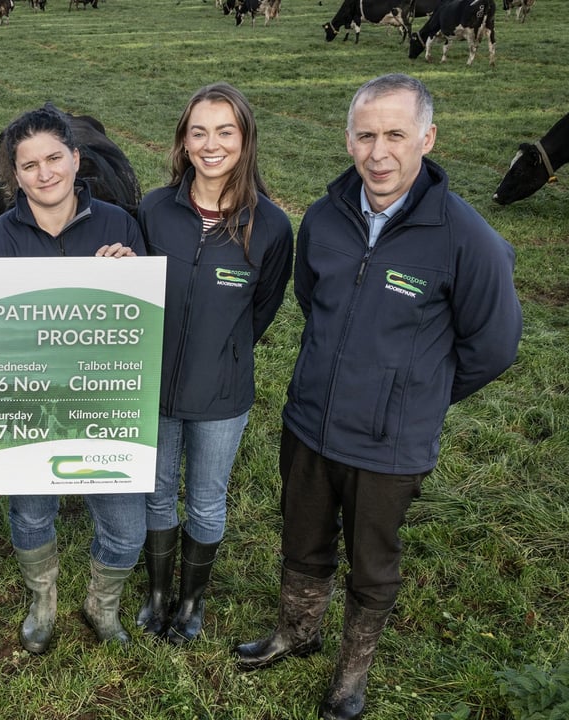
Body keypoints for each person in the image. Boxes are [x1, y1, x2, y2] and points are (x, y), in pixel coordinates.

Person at [233, 74, 522, 720]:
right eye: (366, 135)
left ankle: (350, 677)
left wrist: (418, 392)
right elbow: (313, 298)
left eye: (396, 134)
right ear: (348, 139)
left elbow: (495, 345)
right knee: (302, 538)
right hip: (310, 422)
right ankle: (296, 633)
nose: (379, 152)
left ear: (427, 138)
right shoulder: (328, 216)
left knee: (373, 562)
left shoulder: (463, 237)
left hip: (389, 445)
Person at [0, 105, 144, 651]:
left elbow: (140, 324)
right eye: (29, 165)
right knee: (30, 513)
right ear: (12, 176)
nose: (44, 174)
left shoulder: (120, 225)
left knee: (127, 527)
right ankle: (42, 601)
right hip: (25, 405)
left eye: (54, 159)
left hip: (104, 402)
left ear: (76, 158)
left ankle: (102, 602)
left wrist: (129, 279)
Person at [134, 83, 294, 646]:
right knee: (155, 492)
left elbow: (262, 308)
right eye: (198, 131)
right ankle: (156, 595)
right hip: (151, 387)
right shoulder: (152, 209)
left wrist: (221, 353)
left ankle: (192, 603)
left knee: (205, 498)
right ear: (183, 140)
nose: (211, 144)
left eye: (225, 131)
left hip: (221, 394)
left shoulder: (270, 225)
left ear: (245, 139)